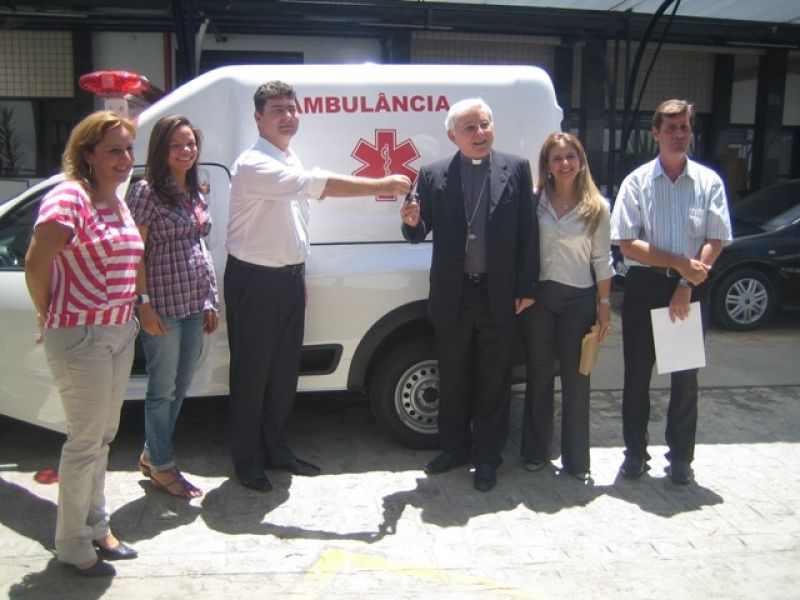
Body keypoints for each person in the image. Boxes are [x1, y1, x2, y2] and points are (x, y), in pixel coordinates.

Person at [226, 80, 411, 492]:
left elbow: (295, 222)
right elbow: (318, 185)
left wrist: (298, 273)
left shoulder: (288, 156)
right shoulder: (255, 163)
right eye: (277, 110)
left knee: (283, 373)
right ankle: (247, 460)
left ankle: (276, 450)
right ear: (258, 118)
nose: (287, 116)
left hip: (287, 279)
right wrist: (382, 184)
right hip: (255, 281)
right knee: (252, 375)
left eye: (291, 109)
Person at [24, 111, 142, 577]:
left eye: (128, 149)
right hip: (82, 334)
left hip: (118, 331)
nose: (125, 158)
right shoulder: (69, 195)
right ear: (87, 154)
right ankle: (72, 543)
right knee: (84, 441)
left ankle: (97, 526)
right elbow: (36, 262)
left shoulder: (116, 199)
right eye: (114, 150)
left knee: (103, 437)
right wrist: (49, 313)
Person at [400, 98, 538, 492]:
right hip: (454, 294)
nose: (480, 133)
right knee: (453, 376)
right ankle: (455, 448)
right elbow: (418, 230)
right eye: (470, 128)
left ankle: (488, 457)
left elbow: (528, 232)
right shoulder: (432, 174)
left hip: (500, 294)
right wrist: (411, 222)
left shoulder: (516, 168)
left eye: (484, 124)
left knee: (495, 380)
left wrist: (527, 287)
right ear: (453, 136)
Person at [610, 99, 732, 484]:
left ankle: (680, 458)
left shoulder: (708, 182)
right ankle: (634, 454)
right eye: (671, 128)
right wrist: (679, 262)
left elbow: (716, 238)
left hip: (689, 287)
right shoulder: (637, 182)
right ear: (656, 133)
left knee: (684, 378)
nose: (679, 134)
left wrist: (684, 282)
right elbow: (627, 243)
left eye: (685, 127)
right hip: (645, 286)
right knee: (637, 377)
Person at [127, 115, 219, 499]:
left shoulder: (196, 191)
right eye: (176, 145)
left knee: (180, 387)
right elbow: (135, 253)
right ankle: (163, 468)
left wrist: (210, 298)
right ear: (161, 150)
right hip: (162, 307)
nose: (185, 151)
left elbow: (200, 247)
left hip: (194, 304)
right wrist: (143, 305)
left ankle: (152, 455)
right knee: (161, 390)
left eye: (190, 143)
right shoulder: (146, 192)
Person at [520, 132, 613, 482]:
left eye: (570, 157)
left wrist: (605, 304)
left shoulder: (597, 206)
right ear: (547, 164)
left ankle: (576, 460)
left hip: (578, 300)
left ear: (581, 160)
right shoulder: (534, 200)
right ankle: (535, 451)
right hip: (539, 299)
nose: (564, 164)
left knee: (577, 378)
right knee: (539, 374)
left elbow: (602, 259)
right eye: (557, 158)